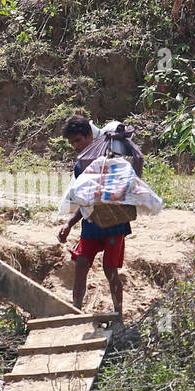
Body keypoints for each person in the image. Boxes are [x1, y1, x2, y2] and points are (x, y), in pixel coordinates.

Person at [55, 113, 141, 318]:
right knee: (82, 263)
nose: (75, 145)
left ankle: (118, 314)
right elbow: (85, 202)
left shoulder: (110, 161)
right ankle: (76, 310)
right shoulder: (80, 166)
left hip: (114, 224)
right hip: (92, 223)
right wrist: (69, 224)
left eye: (78, 140)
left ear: (89, 136)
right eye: (72, 142)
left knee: (110, 269)